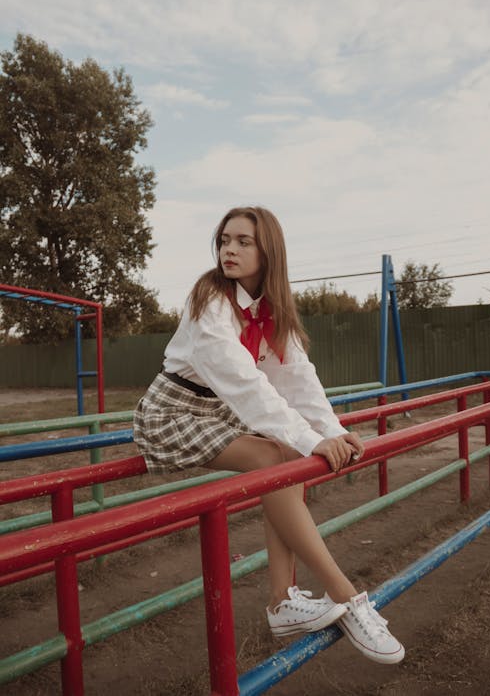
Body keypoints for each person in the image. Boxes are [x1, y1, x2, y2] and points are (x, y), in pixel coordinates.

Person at [134, 206, 404, 665]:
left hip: (217, 412)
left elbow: (297, 375)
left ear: (268, 251)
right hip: (172, 411)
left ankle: (283, 602)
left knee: (286, 453)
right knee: (276, 458)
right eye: (224, 240)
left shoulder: (270, 307)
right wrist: (310, 439)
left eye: (243, 241)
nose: (229, 250)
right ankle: (348, 597)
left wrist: (331, 429)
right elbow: (246, 383)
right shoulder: (210, 299)